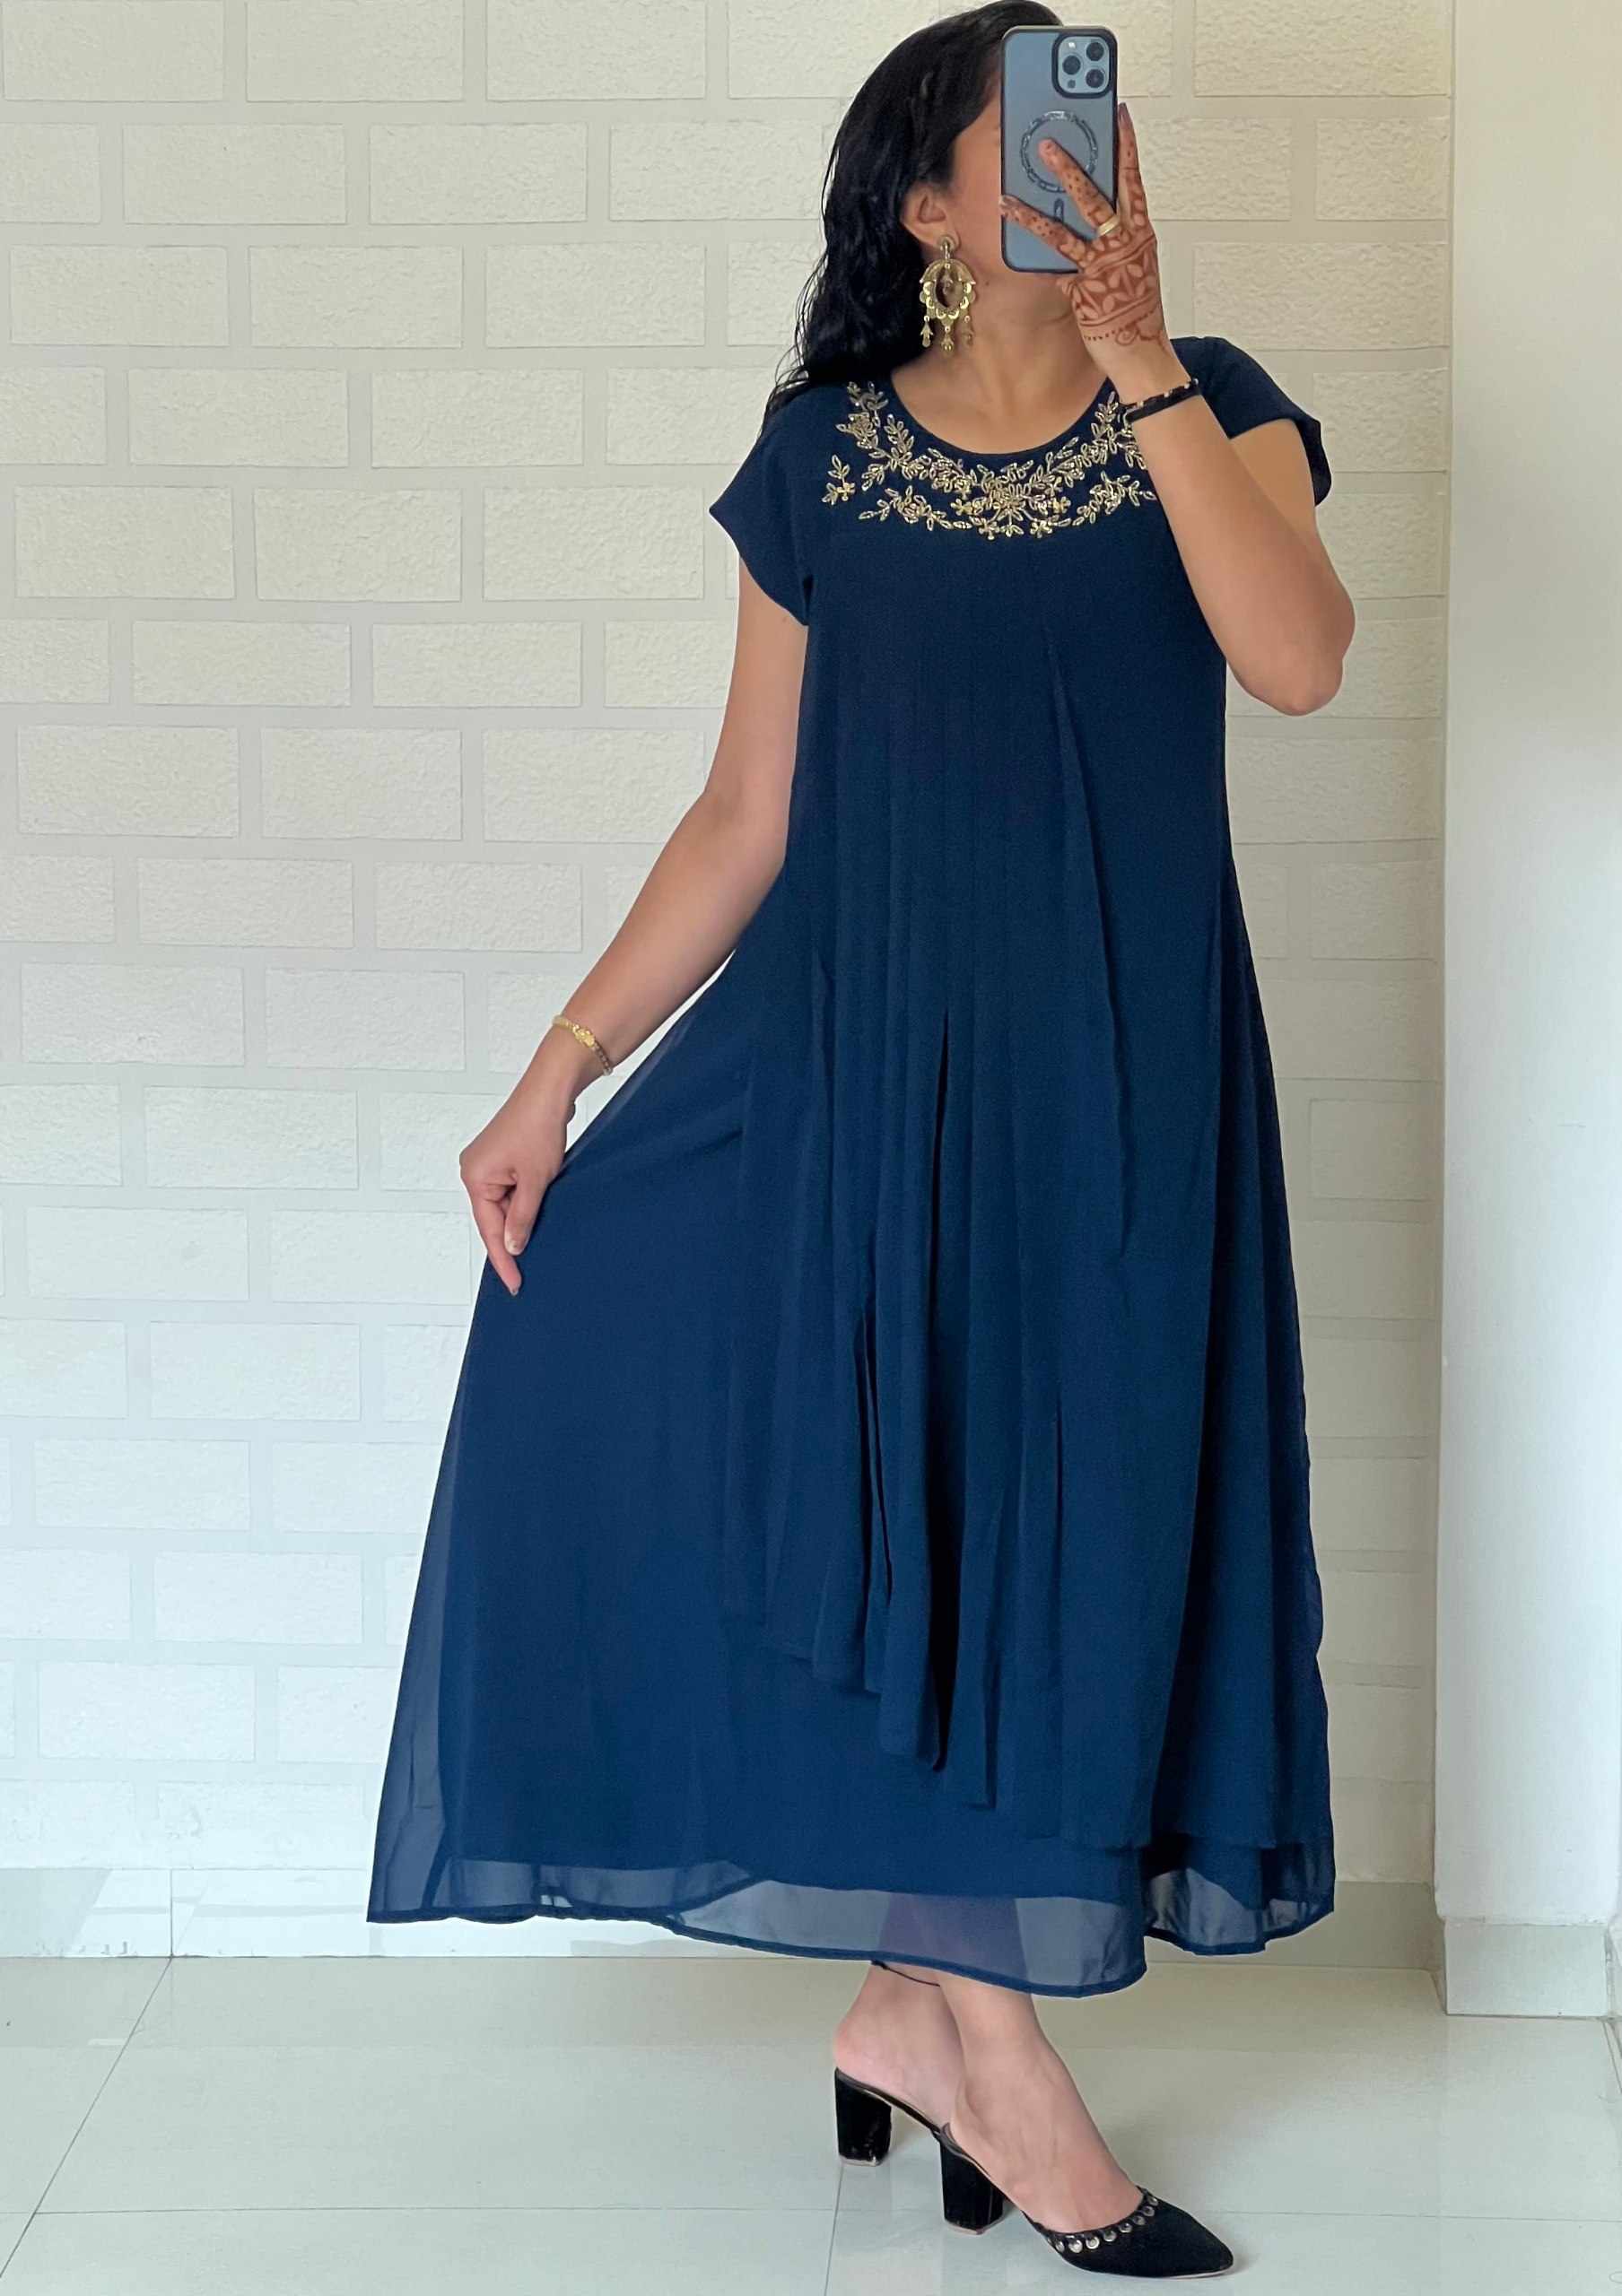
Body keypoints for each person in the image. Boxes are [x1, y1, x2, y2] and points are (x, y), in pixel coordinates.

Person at [368, 1, 1355, 2274]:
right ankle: (991, 2049)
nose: (1083, 160)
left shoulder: (1218, 399)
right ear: (928, 207)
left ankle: (917, 2003)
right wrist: (557, 1070)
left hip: (1119, 1087)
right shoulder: (822, 455)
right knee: (873, 1504)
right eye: (1026, 140)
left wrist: (1146, 364)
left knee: (1064, 1538)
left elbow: (1298, 658)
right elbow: (747, 814)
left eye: (1098, 121)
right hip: (851, 1081)